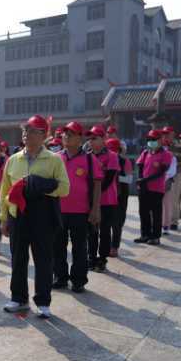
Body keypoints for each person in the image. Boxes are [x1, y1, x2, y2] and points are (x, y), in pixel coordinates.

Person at [0, 115, 69, 319]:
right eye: (25, 130)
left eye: (31, 131)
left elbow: (65, 189)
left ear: (43, 135)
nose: (26, 134)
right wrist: (4, 218)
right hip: (18, 216)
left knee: (43, 260)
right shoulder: (13, 160)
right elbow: (5, 190)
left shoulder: (54, 160)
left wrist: (42, 185)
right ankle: (19, 298)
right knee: (18, 259)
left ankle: (43, 301)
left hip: (43, 217)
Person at [53, 122, 102, 293]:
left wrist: (95, 209)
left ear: (80, 138)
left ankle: (78, 280)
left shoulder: (89, 159)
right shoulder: (56, 157)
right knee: (57, 246)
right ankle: (60, 277)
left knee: (80, 247)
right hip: (58, 210)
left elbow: (97, 185)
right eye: (65, 133)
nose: (66, 136)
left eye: (71, 134)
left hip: (81, 212)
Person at [86, 125, 119, 273]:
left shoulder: (112, 156)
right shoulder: (87, 156)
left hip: (107, 200)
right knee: (92, 230)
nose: (91, 141)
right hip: (90, 200)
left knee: (105, 231)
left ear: (104, 139)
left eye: (95, 138)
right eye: (90, 139)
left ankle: (102, 259)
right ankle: (91, 257)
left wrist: (95, 193)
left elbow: (109, 179)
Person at [135, 130, 172, 245]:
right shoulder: (145, 153)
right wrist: (141, 180)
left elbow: (161, 172)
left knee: (156, 213)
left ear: (161, 140)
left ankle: (155, 236)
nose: (151, 142)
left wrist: (145, 180)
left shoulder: (166, 154)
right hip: (144, 188)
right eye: (149, 140)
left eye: (154, 139)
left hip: (156, 188)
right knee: (143, 212)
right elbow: (140, 168)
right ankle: (144, 234)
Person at [108, 138, 132, 257]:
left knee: (117, 223)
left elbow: (129, 179)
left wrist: (115, 177)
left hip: (120, 195)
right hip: (106, 195)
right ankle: (106, 246)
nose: (112, 153)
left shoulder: (124, 161)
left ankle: (114, 247)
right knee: (105, 223)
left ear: (119, 150)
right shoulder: (103, 160)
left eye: (114, 150)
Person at [162, 127, 181, 232]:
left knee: (175, 199)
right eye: (165, 133)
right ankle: (163, 221)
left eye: (168, 133)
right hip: (161, 176)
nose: (166, 135)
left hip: (175, 175)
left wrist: (172, 173)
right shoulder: (160, 146)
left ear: (173, 134)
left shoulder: (179, 146)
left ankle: (174, 222)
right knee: (162, 200)